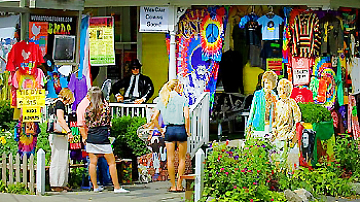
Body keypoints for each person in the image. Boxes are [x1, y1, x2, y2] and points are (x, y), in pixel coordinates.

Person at [76, 86, 129, 193]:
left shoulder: (88, 109)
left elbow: (84, 123)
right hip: (103, 137)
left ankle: (95, 186)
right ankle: (117, 187)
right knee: (112, 163)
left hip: (91, 136)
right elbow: (109, 122)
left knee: (92, 163)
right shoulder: (105, 108)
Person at [151, 79, 190, 192]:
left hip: (169, 129)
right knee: (182, 159)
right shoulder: (183, 99)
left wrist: (160, 129)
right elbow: (186, 116)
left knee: (170, 159)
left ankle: (172, 185)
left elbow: (154, 118)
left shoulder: (163, 99)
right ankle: (179, 184)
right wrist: (187, 131)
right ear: (177, 87)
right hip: (180, 128)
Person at [49, 88, 74, 192]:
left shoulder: (54, 103)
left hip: (56, 134)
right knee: (59, 158)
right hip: (59, 134)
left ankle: (61, 183)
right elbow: (60, 119)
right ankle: (56, 184)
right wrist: (68, 131)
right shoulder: (60, 104)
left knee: (61, 158)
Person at [246, 70, 278, 138]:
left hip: (270, 128)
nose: (267, 85)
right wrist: (249, 126)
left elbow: (276, 113)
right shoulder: (257, 94)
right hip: (257, 126)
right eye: (266, 83)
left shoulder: (275, 97)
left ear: (273, 85)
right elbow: (252, 111)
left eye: (269, 83)